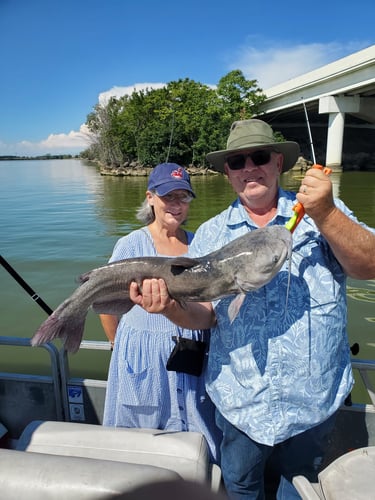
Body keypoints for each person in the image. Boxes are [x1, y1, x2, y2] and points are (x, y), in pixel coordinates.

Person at [128, 120, 375, 499]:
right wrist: (168, 310)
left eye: (259, 157)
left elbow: (368, 265)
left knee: (302, 490)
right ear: (227, 172)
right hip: (240, 402)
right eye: (237, 162)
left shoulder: (323, 211)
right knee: (242, 487)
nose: (249, 168)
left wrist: (324, 212)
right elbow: (206, 314)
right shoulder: (211, 233)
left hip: (312, 404)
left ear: (278, 162)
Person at [100, 162, 221, 464]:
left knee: (195, 443)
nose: (176, 205)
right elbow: (104, 302)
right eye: (168, 196)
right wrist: (118, 344)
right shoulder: (130, 245)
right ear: (150, 197)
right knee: (138, 446)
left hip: (192, 355)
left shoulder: (199, 244)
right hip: (141, 356)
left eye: (184, 196)